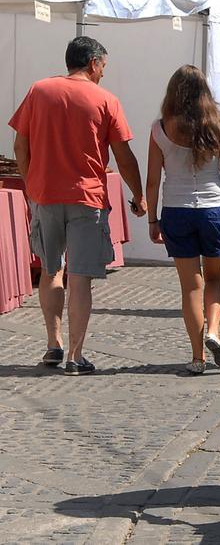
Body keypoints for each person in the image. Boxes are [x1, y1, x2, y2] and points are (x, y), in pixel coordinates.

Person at [10, 36, 147, 375]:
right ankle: (75, 354)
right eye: (103, 67)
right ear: (93, 63)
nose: (103, 74)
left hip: (46, 196)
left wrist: (31, 185)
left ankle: (53, 344)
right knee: (80, 277)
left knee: (51, 270)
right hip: (87, 197)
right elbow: (124, 157)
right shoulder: (105, 99)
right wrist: (139, 194)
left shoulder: (38, 91)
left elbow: (20, 146)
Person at [146, 65, 220, 374]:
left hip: (176, 210)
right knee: (215, 279)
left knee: (191, 286)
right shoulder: (219, 126)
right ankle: (214, 331)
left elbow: (152, 181)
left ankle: (196, 357)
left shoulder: (160, 128)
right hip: (212, 208)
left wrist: (152, 219)